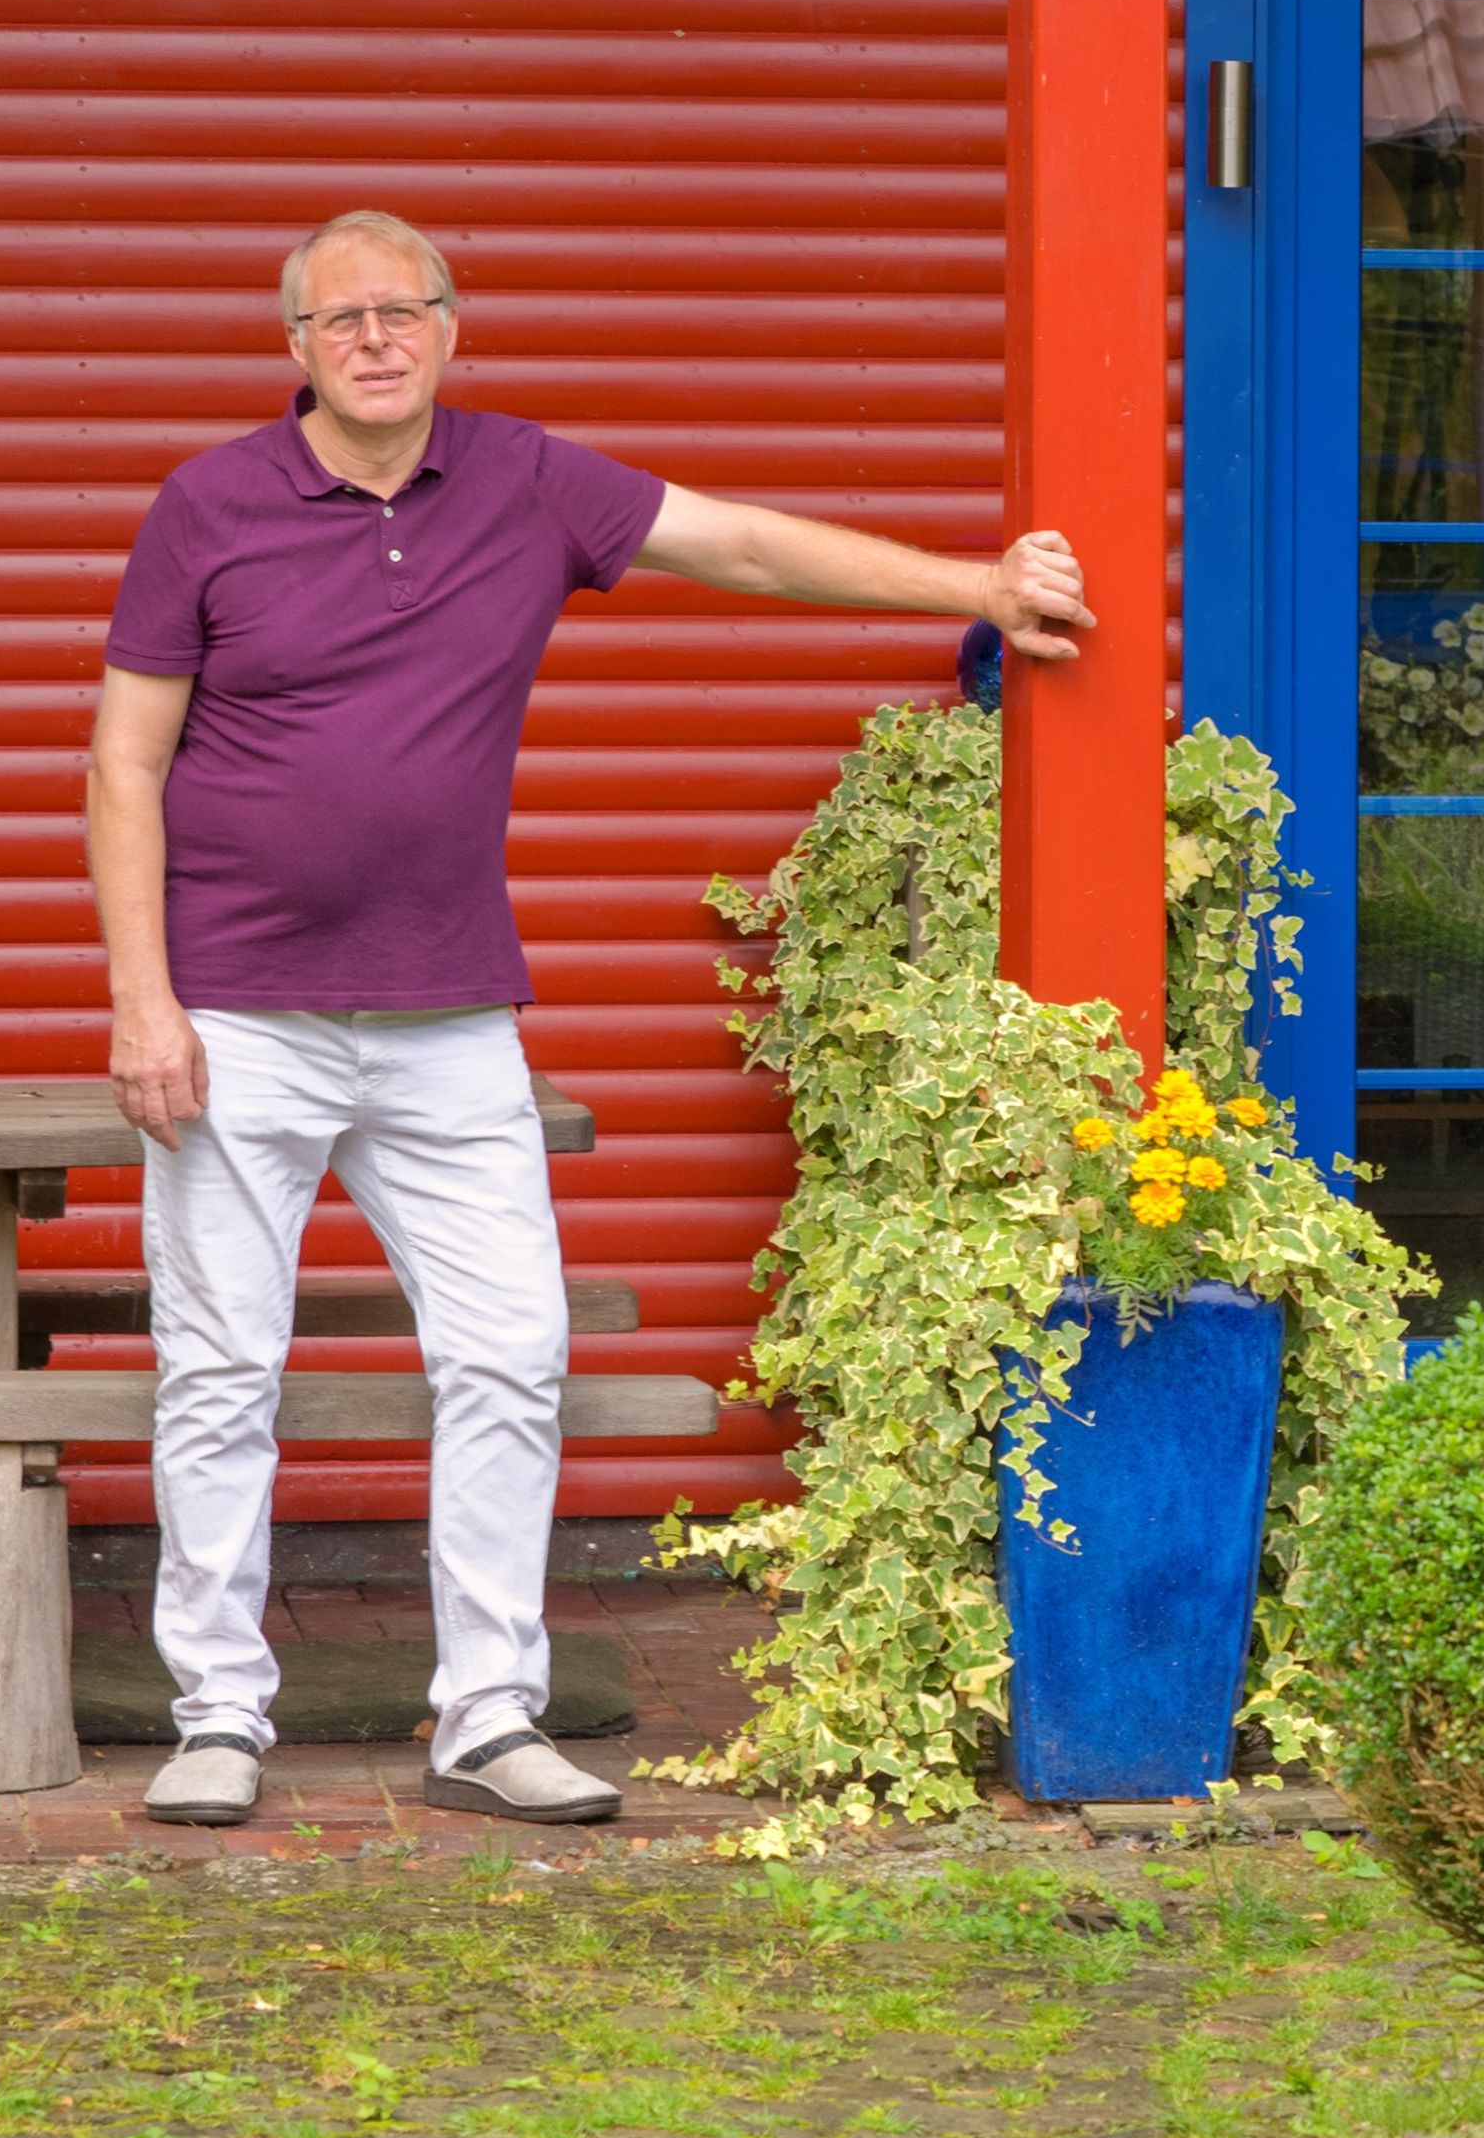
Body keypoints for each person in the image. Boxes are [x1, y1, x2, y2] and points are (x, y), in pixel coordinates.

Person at [88, 210, 1085, 1827]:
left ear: (452, 330)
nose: (375, 338)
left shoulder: (529, 480)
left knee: (510, 1354)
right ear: (293, 349)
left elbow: (748, 546)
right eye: (338, 319)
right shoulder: (206, 508)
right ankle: (218, 1713)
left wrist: (975, 582)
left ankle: (486, 1714)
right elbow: (124, 761)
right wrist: (146, 1002)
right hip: (239, 1017)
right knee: (220, 1372)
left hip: (448, 1018)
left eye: (403, 310)